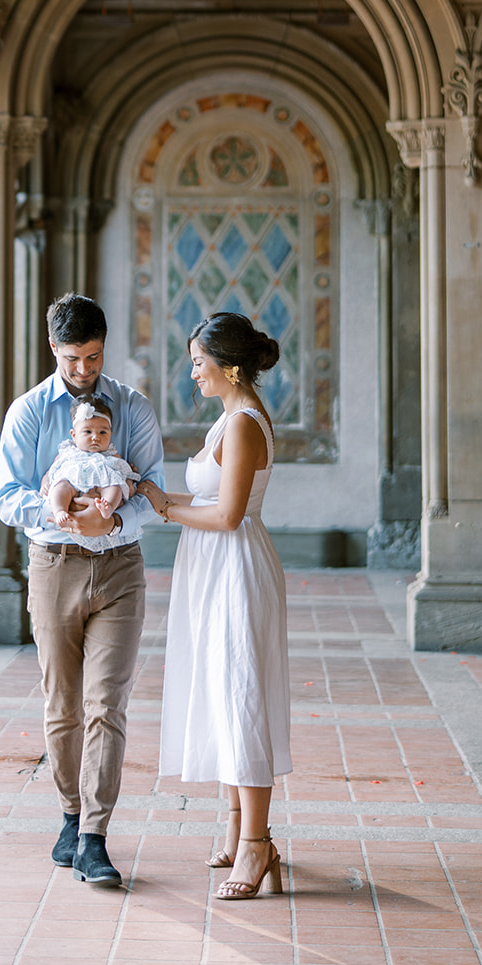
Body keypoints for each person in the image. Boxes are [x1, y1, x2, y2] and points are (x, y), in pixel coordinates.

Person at [0, 293, 165, 887]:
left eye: (92, 358)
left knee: (105, 704)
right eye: (72, 359)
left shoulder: (133, 407)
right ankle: (70, 815)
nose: (84, 370)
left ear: (103, 348)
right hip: (54, 564)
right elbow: (6, 495)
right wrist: (62, 512)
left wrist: (112, 520)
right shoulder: (28, 411)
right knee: (62, 705)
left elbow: (153, 488)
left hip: (120, 568)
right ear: (53, 349)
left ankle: (94, 834)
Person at [138, 311, 292, 902]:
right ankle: (234, 821)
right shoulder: (227, 419)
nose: (193, 373)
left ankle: (258, 841)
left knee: (242, 694)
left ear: (228, 366)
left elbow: (228, 516)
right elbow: (209, 497)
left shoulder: (244, 424)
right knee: (220, 689)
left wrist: (166, 511)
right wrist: (152, 493)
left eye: (198, 363)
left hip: (235, 568)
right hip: (211, 567)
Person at [42, 395, 139, 532]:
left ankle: (108, 506)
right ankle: (59, 510)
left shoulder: (111, 454)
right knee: (61, 486)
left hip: (101, 484)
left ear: (110, 434)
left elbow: (124, 472)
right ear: (74, 435)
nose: (96, 437)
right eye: (87, 431)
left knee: (115, 486)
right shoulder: (67, 451)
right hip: (73, 483)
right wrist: (46, 482)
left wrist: (128, 483)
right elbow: (52, 471)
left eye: (103, 432)